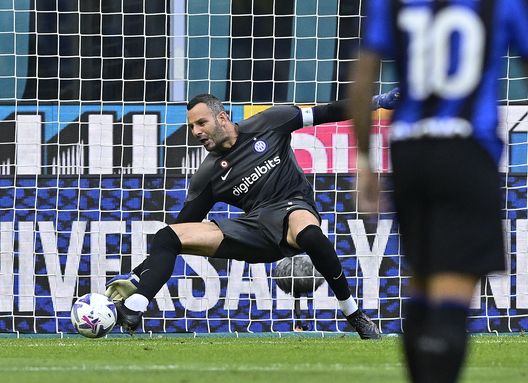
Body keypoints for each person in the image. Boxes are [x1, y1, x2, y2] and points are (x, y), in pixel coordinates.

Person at [105, 89, 399, 339]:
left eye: (201, 123)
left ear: (222, 117)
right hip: (254, 229)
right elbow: (181, 229)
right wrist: (137, 273)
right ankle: (135, 307)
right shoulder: (207, 176)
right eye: (192, 126)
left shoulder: (271, 121)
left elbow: (327, 112)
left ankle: (353, 313)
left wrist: (379, 101)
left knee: (310, 233)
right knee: (167, 235)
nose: (196, 132)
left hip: (293, 207)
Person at [350, 0, 528, 381]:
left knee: (423, 281)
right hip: (468, 149)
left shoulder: (392, 4)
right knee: (453, 288)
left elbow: (363, 78)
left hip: (410, 153)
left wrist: (365, 161)